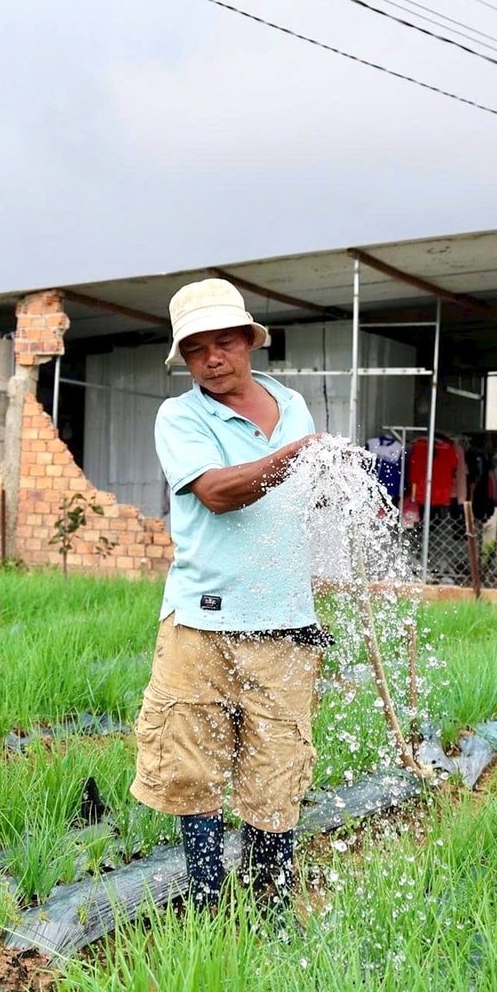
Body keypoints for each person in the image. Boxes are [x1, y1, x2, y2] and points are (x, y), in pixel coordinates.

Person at [131, 277, 323, 912]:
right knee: (194, 768)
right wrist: (300, 456)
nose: (211, 359)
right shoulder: (180, 416)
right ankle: (207, 901)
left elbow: (299, 498)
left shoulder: (293, 407)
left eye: (223, 343)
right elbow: (215, 492)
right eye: (195, 350)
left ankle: (271, 902)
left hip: (285, 621)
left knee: (278, 767)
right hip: (201, 623)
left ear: (249, 340)